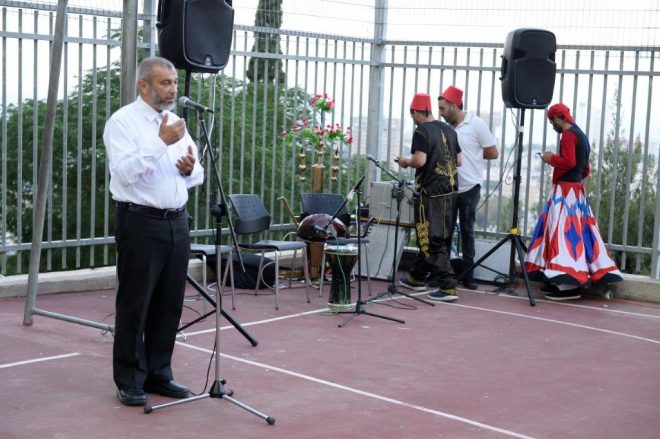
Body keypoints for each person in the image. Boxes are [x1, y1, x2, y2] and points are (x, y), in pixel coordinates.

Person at [103, 56, 204, 406]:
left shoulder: (176, 122)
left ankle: (159, 373)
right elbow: (124, 173)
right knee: (136, 303)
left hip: (177, 220)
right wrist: (160, 142)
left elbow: (197, 173)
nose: (173, 89)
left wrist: (190, 170)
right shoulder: (123, 122)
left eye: (174, 82)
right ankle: (130, 379)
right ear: (143, 85)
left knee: (169, 303)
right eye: (165, 83)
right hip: (141, 221)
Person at [525, 103, 622, 301]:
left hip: (565, 190)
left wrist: (551, 158)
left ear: (558, 118)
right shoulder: (582, 136)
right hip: (576, 190)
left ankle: (567, 283)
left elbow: (568, 162)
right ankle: (567, 280)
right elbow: (585, 168)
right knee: (578, 232)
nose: (552, 125)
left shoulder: (568, 135)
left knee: (563, 234)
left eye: (552, 121)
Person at [396, 93, 462, 302]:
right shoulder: (450, 130)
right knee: (437, 237)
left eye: (413, 115)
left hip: (430, 194)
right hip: (451, 192)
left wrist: (405, 162)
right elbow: (459, 160)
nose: (414, 119)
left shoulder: (422, 131)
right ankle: (416, 276)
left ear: (416, 112)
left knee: (430, 239)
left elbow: (420, 161)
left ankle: (448, 285)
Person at [437, 85, 499, 290]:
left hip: (470, 187)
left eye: (443, 108)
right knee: (445, 232)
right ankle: (443, 273)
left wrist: (473, 155)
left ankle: (468, 275)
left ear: (454, 106)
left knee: (467, 231)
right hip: (448, 186)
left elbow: (493, 152)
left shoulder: (476, 124)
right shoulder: (445, 127)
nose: (441, 113)